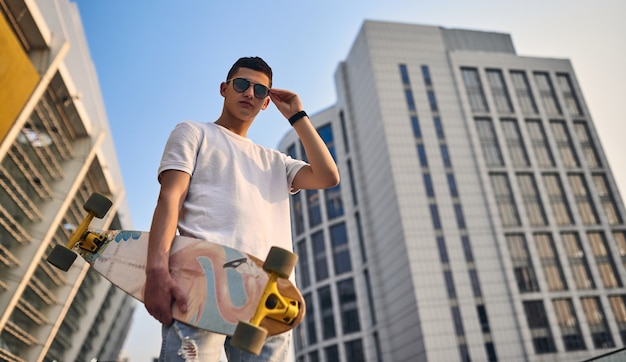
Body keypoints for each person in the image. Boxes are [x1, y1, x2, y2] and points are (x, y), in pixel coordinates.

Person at [144, 56, 340, 361]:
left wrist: (297, 115)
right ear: (224, 88)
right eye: (241, 84)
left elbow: (328, 176)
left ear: (266, 103)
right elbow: (170, 198)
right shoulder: (193, 132)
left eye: (260, 91)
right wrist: (155, 271)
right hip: (201, 282)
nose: (250, 93)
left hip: (267, 297)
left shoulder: (277, 161)